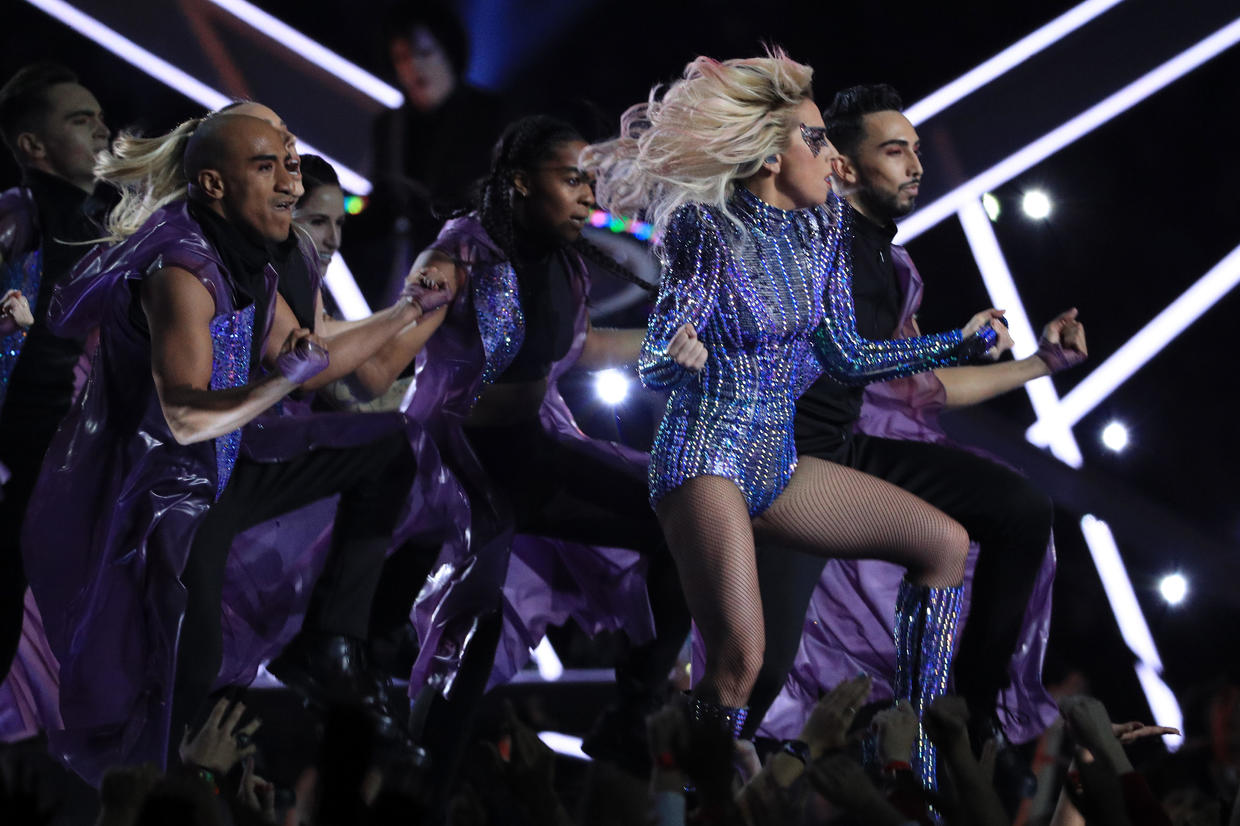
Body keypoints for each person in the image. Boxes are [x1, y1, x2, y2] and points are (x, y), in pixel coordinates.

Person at [584, 50, 1004, 790]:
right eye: (818, 139)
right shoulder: (705, 233)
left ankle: (915, 769)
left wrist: (954, 342)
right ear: (773, 154)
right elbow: (653, 360)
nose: (834, 158)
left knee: (945, 545)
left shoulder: (820, 236)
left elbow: (844, 357)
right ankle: (694, 803)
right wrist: (672, 361)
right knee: (741, 664)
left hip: (775, 463)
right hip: (704, 457)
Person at [21, 113, 447, 782]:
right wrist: (284, 380)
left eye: (291, 164)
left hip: (236, 459)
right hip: (168, 490)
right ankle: (156, 798)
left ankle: (332, 642)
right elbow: (186, 417)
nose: (289, 184)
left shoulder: (251, 249)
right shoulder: (180, 269)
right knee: (185, 671)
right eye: (267, 167)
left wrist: (409, 310)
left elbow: (312, 354)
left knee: (400, 444)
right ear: (214, 183)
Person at [740, 84, 1087, 755]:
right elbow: (849, 360)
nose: (916, 166)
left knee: (1017, 508)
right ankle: (672, 781)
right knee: (757, 672)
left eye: (918, 151)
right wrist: (953, 340)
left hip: (850, 451)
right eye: (895, 151)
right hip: (785, 469)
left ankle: (970, 724)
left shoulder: (893, 265)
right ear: (842, 165)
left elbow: (918, 385)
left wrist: (1042, 364)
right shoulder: (811, 242)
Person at [403, 114, 691, 789]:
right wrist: (421, 293)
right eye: (571, 180)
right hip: (462, 471)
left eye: (590, 181)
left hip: (534, 456)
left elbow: (580, 348)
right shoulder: (461, 254)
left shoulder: (564, 261)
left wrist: (671, 346)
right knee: (466, 654)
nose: (589, 195)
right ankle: (416, 792)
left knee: (688, 517)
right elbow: (417, 312)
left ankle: (632, 712)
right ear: (519, 184)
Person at [0, 62, 112, 680]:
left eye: (99, 117)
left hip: (54, 446)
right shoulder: (21, 214)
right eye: (80, 120)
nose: (102, 131)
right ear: (33, 146)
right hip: (26, 439)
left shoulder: (101, 223)